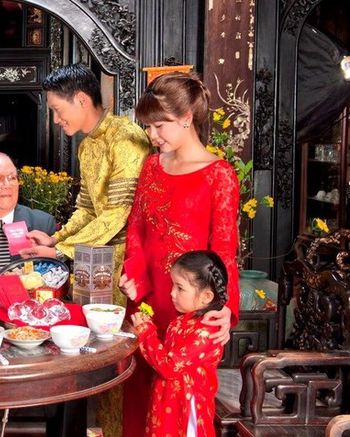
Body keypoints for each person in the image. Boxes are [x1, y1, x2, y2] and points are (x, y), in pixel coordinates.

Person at [21, 63, 150, 436]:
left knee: (118, 356)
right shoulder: (89, 143)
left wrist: (63, 251)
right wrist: (56, 239)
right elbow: (87, 208)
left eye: (58, 110)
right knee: (95, 358)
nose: (56, 119)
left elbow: (119, 213)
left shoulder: (125, 138)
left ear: (81, 99)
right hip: (93, 261)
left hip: (123, 264)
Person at [119, 71, 239, 436]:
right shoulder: (151, 167)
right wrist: (133, 276)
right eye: (148, 126)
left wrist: (224, 308)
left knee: (179, 403)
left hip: (190, 306)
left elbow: (224, 250)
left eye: (159, 125)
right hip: (146, 297)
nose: (152, 135)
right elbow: (136, 229)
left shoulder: (219, 175)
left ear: (187, 118)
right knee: (138, 398)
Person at [129, 250, 228, 437]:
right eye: (173, 285)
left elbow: (169, 367)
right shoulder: (182, 320)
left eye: (180, 288)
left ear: (206, 296)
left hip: (185, 408)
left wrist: (146, 332)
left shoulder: (206, 333)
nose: (172, 293)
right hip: (167, 400)